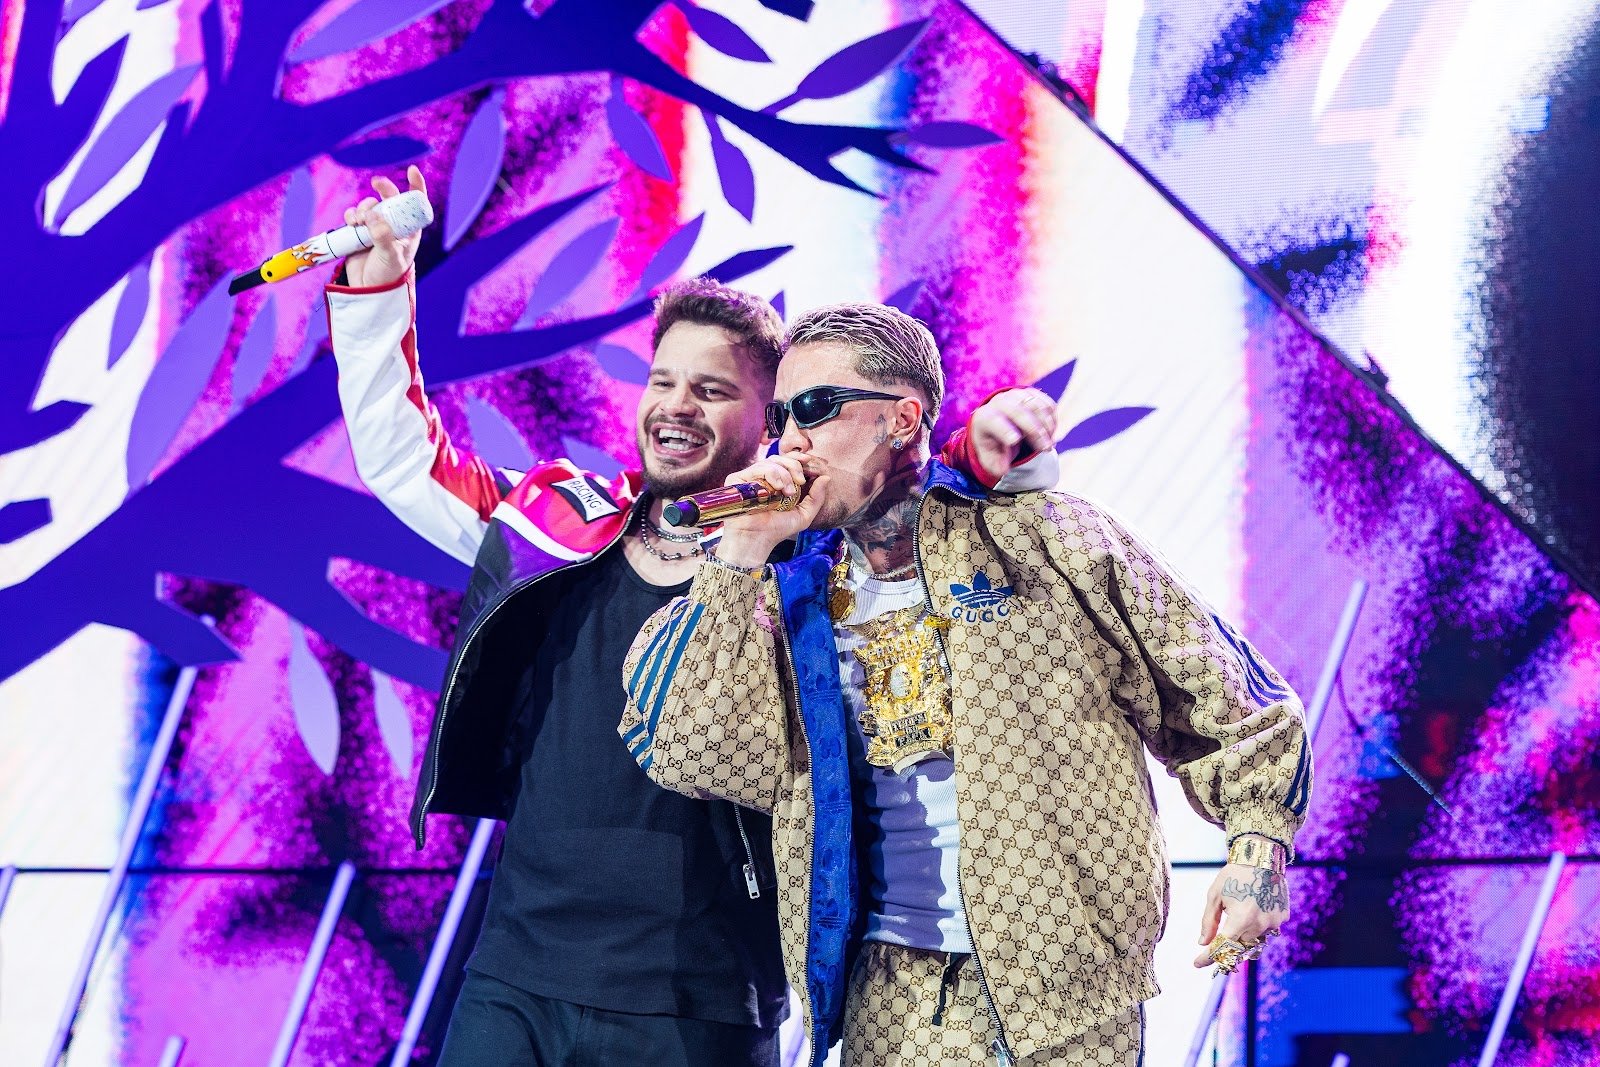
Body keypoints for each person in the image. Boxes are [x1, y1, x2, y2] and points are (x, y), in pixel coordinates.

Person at [324, 167, 1065, 1065]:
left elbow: (915, 505)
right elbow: (406, 463)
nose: (675, 406)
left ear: (769, 422)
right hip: (517, 980)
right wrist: (380, 292)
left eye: (711, 390)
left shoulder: (810, 561)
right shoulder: (558, 518)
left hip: (703, 1000)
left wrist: (987, 454)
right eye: (662, 380)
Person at [620, 302, 1312, 1065]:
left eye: (815, 406)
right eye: (781, 416)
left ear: (902, 418)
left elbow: (1229, 699)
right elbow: (690, 751)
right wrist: (742, 552)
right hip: (888, 1000)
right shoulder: (787, 595)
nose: (791, 439)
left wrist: (1257, 852)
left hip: (1068, 996)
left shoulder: (1044, 537)